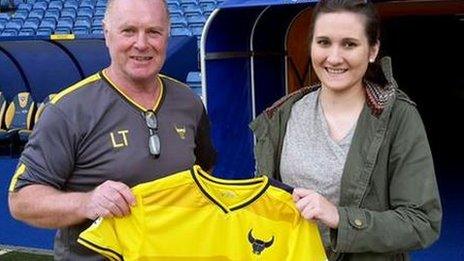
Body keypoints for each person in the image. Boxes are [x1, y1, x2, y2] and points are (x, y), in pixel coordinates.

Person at [8, 0, 216, 260]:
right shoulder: (69, 109)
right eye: (128, 31)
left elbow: (204, 174)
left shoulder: (189, 102)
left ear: (167, 35)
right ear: (107, 34)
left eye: (154, 31)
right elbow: (21, 200)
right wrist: (87, 202)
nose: (142, 43)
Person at [250, 0, 442, 260]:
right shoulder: (282, 115)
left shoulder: (399, 118)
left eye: (349, 44)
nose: (334, 57)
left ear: (372, 50)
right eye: (324, 42)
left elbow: (422, 222)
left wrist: (341, 218)